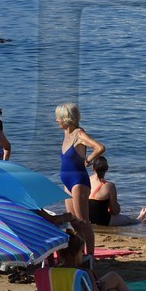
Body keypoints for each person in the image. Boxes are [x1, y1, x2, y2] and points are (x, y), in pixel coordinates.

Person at [55, 102, 102, 259]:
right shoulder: (66, 134)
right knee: (74, 222)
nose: (56, 121)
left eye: (58, 118)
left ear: (66, 118)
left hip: (78, 181)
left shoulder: (79, 134)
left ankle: (90, 256)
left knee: (83, 221)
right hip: (67, 183)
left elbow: (99, 147)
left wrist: (88, 160)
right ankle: (79, 254)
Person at [87, 154, 146, 226]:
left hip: (87, 218)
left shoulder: (86, 180)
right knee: (129, 220)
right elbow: (115, 211)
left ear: (93, 168)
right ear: (107, 169)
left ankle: (141, 218)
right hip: (103, 221)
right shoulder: (109, 186)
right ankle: (141, 219)